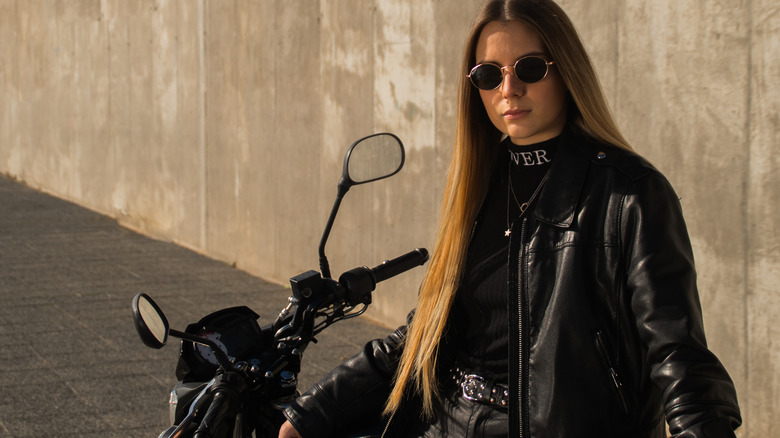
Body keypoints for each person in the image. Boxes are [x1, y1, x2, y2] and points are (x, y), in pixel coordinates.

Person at [280, 0, 741, 436]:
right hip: (449, 423)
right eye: (488, 74)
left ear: (566, 70)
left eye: (529, 68)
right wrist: (311, 411)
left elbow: (680, 357)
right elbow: (426, 331)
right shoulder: (477, 185)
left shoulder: (629, 193)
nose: (508, 89)